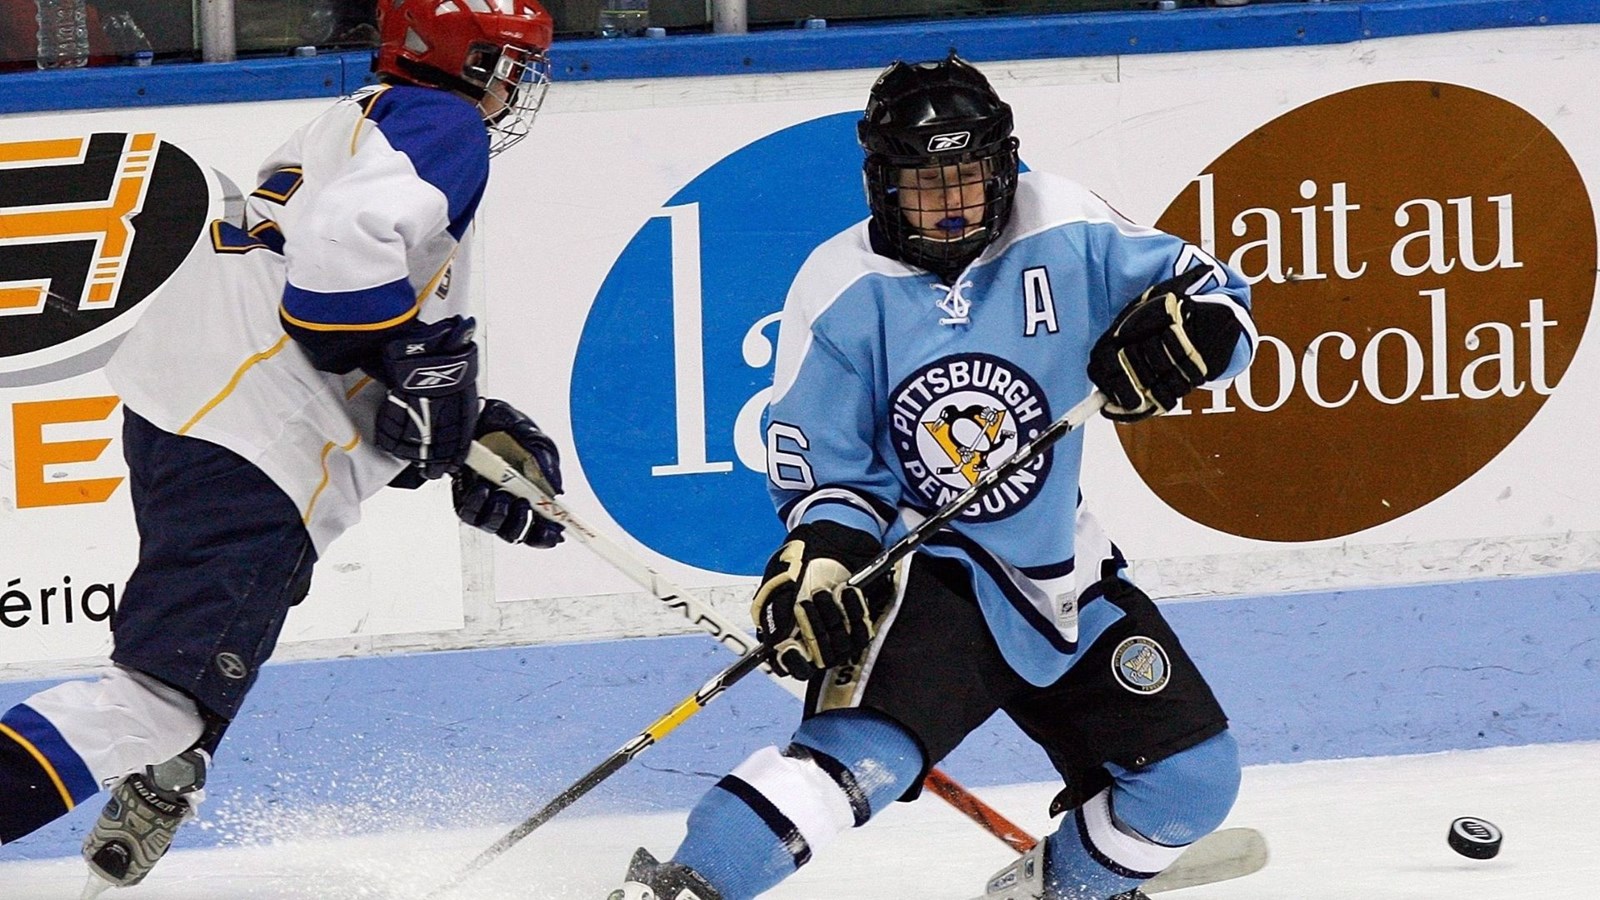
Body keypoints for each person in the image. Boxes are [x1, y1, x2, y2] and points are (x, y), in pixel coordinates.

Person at [609, 53, 1258, 900]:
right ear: (883, 181)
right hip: (928, 574)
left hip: (1060, 569)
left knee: (1192, 779)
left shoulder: (1065, 220)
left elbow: (1217, 297)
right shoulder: (840, 288)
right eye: (926, 181)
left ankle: (1057, 890)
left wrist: (1194, 336)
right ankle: (680, 888)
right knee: (852, 769)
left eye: (971, 175)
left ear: (1004, 164)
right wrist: (826, 557)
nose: (953, 202)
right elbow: (829, 478)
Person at [0, 0, 564, 893]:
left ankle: (180, 751)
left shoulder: (358, 120)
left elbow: (361, 317)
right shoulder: (441, 121)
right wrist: (430, 381)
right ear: (453, 56)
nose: (513, 87)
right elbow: (335, 290)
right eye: (505, 62)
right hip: (255, 430)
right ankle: (175, 742)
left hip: (190, 403)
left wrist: (463, 425)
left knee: (204, 650)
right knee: (153, 704)